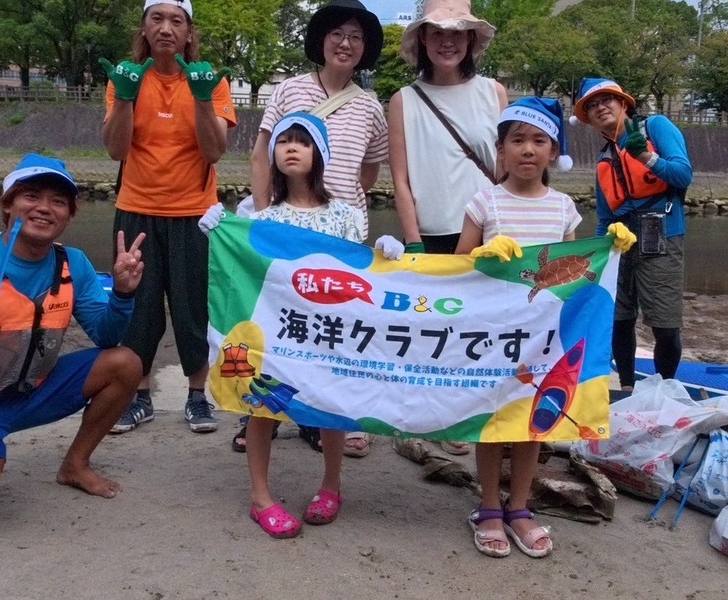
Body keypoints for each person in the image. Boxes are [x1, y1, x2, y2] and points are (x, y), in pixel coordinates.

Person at [199, 113, 404, 537]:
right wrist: (220, 234)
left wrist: (384, 257)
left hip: (328, 333)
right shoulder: (260, 220)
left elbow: (359, 272)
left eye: (303, 141)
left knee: (331, 407)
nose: (292, 147)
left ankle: (331, 486)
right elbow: (243, 275)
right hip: (277, 335)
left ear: (320, 154)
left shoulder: (345, 216)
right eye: (284, 140)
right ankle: (260, 496)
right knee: (262, 408)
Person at [456, 97, 634, 558]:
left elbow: (576, 275)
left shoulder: (563, 208)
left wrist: (609, 250)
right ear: (501, 150)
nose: (528, 149)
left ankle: (519, 506)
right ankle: (488, 506)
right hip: (494, 335)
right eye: (517, 140)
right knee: (494, 419)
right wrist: (481, 257)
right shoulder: (485, 202)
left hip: (543, 337)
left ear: (554, 152)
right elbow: (457, 267)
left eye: (539, 141)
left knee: (532, 420)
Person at [0, 154, 145, 506]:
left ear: (69, 215)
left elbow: (106, 337)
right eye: (31, 196)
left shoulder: (74, 263)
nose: (44, 208)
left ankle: (75, 465)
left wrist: (124, 295)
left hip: (34, 392)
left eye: (58, 201)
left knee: (125, 363)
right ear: (8, 205)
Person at [244, 0, 387, 457]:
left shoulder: (371, 106)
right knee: (277, 321)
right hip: (285, 222)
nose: (346, 43)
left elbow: (369, 170)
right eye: (337, 33)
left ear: (365, 48)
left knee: (335, 327)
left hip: (341, 231)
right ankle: (261, 411)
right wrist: (264, 217)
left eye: (356, 36)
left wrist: (341, 202)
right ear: (321, 39)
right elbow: (261, 153)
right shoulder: (288, 90)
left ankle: (325, 414)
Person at [99, 0, 237, 434]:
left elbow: (214, 151)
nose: (166, 28)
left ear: (189, 33)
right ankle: (139, 396)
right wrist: (124, 96)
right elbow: (116, 149)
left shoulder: (212, 80)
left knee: (193, 307)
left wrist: (201, 98)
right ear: (143, 28)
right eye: (156, 19)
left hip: (194, 213)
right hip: (136, 209)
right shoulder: (125, 76)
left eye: (176, 21)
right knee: (139, 307)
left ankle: (197, 396)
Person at [388, 0, 507, 454]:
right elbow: (401, 179)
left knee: (478, 331)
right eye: (437, 32)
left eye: (458, 32)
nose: (447, 41)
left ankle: (470, 416)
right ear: (422, 38)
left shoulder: (493, 92)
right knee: (430, 332)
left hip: (487, 233)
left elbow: (504, 171)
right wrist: (413, 240)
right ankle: (427, 415)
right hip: (431, 233)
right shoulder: (403, 100)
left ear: (471, 39)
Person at [569, 77, 692, 391]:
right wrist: (600, 261)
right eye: (592, 106)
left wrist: (645, 157)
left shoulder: (656, 128)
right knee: (619, 319)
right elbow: (605, 217)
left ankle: (666, 388)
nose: (600, 108)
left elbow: (683, 174)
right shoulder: (604, 158)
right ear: (588, 118)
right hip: (620, 242)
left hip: (662, 233)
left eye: (606, 100)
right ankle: (626, 387)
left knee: (665, 324)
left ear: (623, 103)